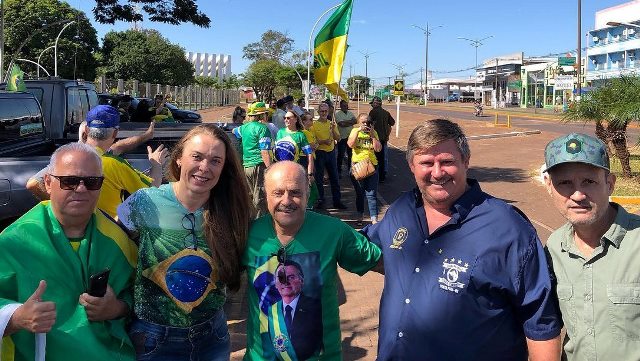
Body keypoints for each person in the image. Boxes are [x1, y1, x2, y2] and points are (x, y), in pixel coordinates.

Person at [362, 119, 562, 361]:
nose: (437, 173)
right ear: (411, 165)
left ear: (465, 161)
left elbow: (540, 322)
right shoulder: (401, 211)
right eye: (426, 163)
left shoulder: (509, 228)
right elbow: (364, 250)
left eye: (447, 161)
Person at [117, 124, 253, 360]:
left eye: (215, 161)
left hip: (213, 337)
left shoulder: (233, 210)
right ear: (179, 158)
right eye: (197, 157)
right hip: (153, 338)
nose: (204, 168)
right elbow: (112, 245)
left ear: (224, 168)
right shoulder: (144, 201)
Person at [0, 142, 137, 361]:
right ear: (48, 183)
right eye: (69, 181)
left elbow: (140, 296)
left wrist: (117, 308)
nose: (81, 189)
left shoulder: (118, 241)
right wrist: (16, 318)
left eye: (92, 182)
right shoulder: (14, 241)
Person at [242, 161, 381, 360]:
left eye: (296, 193)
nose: (286, 200)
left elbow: (383, 262)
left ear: (308, 194)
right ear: (266, 196)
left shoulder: (333, 231)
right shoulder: (248, 235)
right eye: (278, 193)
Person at [543, 133, 640, 361]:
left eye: (589, 182)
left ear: (610, 184)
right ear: (549, 186)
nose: (577, 195)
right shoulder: (554, 248)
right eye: (565, 183)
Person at [26, 120, 156, 201]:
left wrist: (146, 135)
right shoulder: (70, 159)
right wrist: (59, 203)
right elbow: (33, 183)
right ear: (85, 134)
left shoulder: (100, 152)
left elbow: (119, 146)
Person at [83, 105, 167, 218]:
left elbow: (117, 148)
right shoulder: (115, 164)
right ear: (115, 133)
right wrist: (156, 164)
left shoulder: (66, 155)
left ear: (87, 130)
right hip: (106, 231)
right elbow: (152, 190)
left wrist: (146, 136)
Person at [268, 260, 323, 360]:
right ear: (275, 284)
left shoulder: (315, 306)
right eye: (281, 278)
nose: (285, 282)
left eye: (291, 277)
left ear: (302, 280)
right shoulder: (272, 310)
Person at [233, 101, 272, 216]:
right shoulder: (263, 129)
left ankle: (249, 221)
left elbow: (234, 131)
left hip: (247, 166)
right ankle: (259, 224)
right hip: (259, 165)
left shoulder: (243, 128)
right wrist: (270, 169)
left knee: (250, 196)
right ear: (262, 115)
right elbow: (264, 151)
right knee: (259, 197)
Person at [348, 114, 381, 225]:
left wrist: (372, 135)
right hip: (358, 165)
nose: (365, 124)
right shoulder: (354, 131)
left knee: (371, 194)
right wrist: (358, 131)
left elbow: (378, 149)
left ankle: (374, 219)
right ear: (358, 123)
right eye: (363, 122)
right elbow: (350, 144)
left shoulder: (373, 132)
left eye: (367, 122)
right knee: (360, 193)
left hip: (372, 165)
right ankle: (360, 216)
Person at [311, 102, 346, 210]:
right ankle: (320, 200)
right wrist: (322, 141)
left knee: (334, 178)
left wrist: (333, 129)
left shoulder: (332, 124)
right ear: (318, 112)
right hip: (320, 153)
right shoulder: (313, 126)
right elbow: (313, 142)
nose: (324, 113)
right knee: (319, 178)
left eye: (326, 111)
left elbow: (338, 139)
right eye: (322, 111)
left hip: (331, 153)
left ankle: (337, 201)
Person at [273, 110, 314, 177]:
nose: (286, 120)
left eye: (288, 118)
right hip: (280, 169)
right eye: (285, 118)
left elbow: (309, 154)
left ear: (295, 119)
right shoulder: (280, 132)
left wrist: (310, 173)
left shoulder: (300, 135)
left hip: (293, 170)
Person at [368, 96, 395, 183]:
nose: (372, 105)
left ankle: (375, 176)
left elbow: (368, 123)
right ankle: (382, 176)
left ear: (376, 104)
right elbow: (392, 123)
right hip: (384, 138)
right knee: (382, 158)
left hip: (375, 138)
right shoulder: (386, 113)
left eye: (373, 103)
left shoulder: (373, 112)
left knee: (374, 157)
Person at [335, 99, 356, 178]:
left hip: (351, 137)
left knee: (351, 155)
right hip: (342, 138)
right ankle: (339, 171)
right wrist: (350, 122)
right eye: (344, 106)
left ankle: (351, 171)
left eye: (346, 105)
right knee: (340, 155)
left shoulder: (350, 113)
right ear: (340, 106)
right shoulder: (337, 114)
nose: (345, 107)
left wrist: (346, 122)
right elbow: (341, 124)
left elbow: (355, 121)